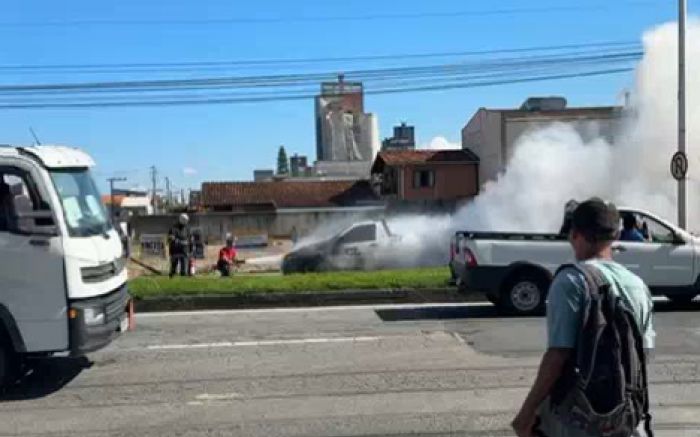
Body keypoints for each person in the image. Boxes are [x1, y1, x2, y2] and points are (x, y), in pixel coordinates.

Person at [512, 198, 655, 437]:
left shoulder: (570, 281)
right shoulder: (638, 286)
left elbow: (558, 355)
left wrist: (527, 413)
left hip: (577, 418)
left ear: (574, 234)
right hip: (625, 417)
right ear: (616, 235)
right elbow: (643, 353)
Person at [167, 213, 192, 278]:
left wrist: (190, 250)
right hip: (175, 251)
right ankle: (171, 277)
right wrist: (179, 241)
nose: (186, 222)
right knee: (173, 268)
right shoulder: (174, 228)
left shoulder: (187, 228)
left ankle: (183, 278)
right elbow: (170, 238)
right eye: (185, 220)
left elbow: (189, 239)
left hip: (184, 251)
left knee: (184, 270)